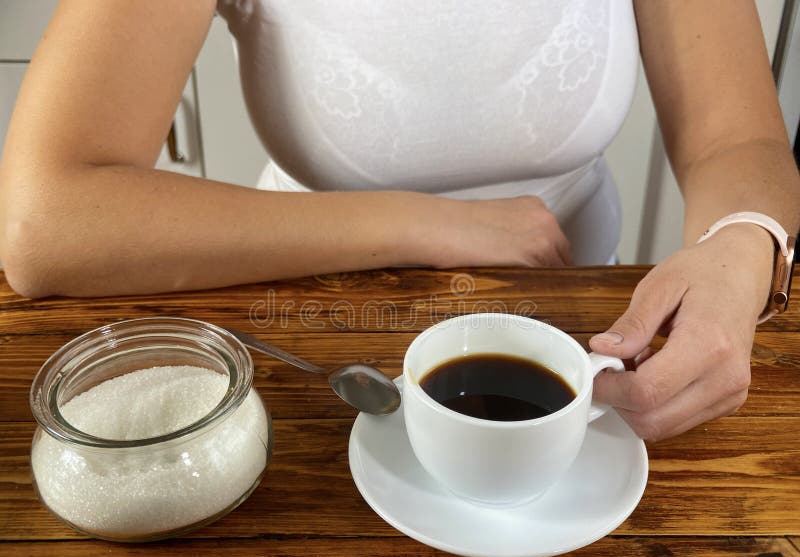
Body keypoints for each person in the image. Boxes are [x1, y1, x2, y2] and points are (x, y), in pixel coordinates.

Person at [0, 0, 797, 441]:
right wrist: (428, 224)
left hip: (584, 323)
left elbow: (741, 139)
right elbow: (47, 220)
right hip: (323, 319)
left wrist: (743, 243)